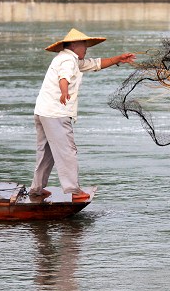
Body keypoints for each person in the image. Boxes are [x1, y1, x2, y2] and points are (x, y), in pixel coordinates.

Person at [29, 28, 135, 202]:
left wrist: (118, 59)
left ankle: (37, 189)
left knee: (46, 152)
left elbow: (96, 64)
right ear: (74, 45)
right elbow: (64, 78)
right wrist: (64, 92)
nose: (86, 48)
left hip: (43, 111)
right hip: (56, 113)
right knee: (67, 151)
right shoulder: (68, 61)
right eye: (84, 45)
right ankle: (73, 189)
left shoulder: (68, 59)